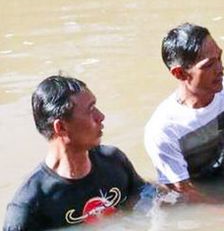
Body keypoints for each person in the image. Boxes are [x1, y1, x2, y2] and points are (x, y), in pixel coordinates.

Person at [144, 23, 224, 203]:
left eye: (219, 57)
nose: (220, 69)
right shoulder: (163, 130)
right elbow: (185, 194)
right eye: (209, 64)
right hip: (209, 201)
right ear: (180, 73)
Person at [3, 76, 146, 230]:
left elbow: (145, 198)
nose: (101, 116)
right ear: (61, 127)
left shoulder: (114, 161)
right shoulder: (28, 208)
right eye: (91, 110)